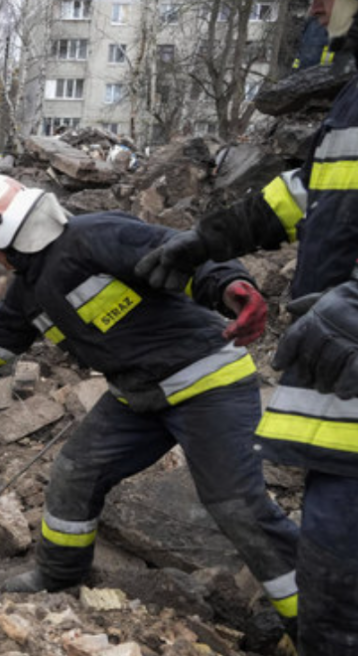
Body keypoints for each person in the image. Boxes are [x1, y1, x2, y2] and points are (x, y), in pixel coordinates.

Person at [0, 175, 300, 633]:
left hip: (208, 383)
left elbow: (180, 254)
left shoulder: (96, 235)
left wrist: (231, 286)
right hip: (138, 398)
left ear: (4, 230)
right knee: (74, 473)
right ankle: (59, 576)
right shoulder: (27, 289)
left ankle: (319, 617)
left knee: (234, 505)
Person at [133, 0, 358, 649]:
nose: (313, 6)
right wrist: (206, 239)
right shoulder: (350, 96)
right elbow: (313, 192)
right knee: (331, 602)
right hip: (339, 406)